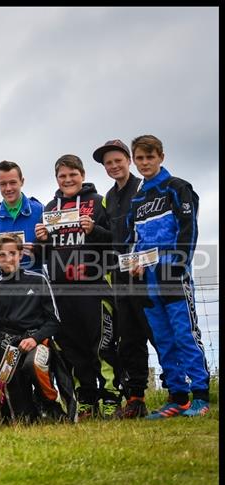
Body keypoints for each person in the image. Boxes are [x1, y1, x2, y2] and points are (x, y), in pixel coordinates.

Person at [125, 135, 210, 419]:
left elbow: (189, 230)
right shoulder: (137, 199)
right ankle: (177, 397)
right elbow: (131, 240)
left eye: (150, 157)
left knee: (185, 333)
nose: (145, 163)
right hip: (146, 280)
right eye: (140, 158)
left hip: (172, 274)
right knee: (163, 339)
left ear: (161, 157)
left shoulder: (178, 188)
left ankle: (200, 395)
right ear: (134, 161)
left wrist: (179, 265)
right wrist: (132, 263)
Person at [33, 154, 116, 419]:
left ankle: (112, 397)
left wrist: (94, 230)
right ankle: (86, 400)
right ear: (57, 178)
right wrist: (42, 241)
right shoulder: (50, 207)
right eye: (62, 176)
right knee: (73, 348)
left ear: (82, 175)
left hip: (93, 287)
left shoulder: (98, 201)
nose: (68, 180)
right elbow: (44, 256)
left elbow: (114, 241)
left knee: (102, 345)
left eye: (73, 175)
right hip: (62, 291)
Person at [93, 139, 154, 418]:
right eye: (108, 163)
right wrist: (93, 228)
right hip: (119, 275)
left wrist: (144, 258)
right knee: (129, 339)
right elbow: (111, 239)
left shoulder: (144, 187)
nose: (114, 166)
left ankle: (185, 396)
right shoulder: (108, 197)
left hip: (147, 273)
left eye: (118, 160)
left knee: (158, 334)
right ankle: (136, 398)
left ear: (129, 160)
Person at [0, 234, 73, 423]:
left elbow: (54, 321)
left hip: (38, 343)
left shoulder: (39, 280)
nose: (7, 259)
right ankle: (31, 409)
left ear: (21, 254)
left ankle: (51, 404)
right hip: (9, 349)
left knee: (33, 363)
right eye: (2, 255)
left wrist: (35, 338)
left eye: (12, 254)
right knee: (23, 419)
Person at [0, 161, 44, 273]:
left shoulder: (41, 211)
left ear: (22, 182)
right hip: (5, 286)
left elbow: (53, 251)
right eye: (3, 184)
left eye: (13, 182)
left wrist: (38, 250)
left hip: (36, 284)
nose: (8, 188)